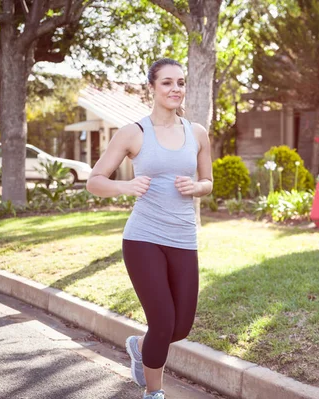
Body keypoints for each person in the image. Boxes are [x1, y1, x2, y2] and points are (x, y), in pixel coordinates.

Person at [86, 58, 213, 399]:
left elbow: (208, 181)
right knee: (162, 321)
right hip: (143, 237)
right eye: (167, 83)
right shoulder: (134, 132)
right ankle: (154, 392)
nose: (176, 89)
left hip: (183, 237)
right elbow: (95, 181)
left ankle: (139, 346)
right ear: (152, 88)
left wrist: (196, 188)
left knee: (180, 326)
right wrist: (125, 188)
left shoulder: (196, 132)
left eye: (180, 83)